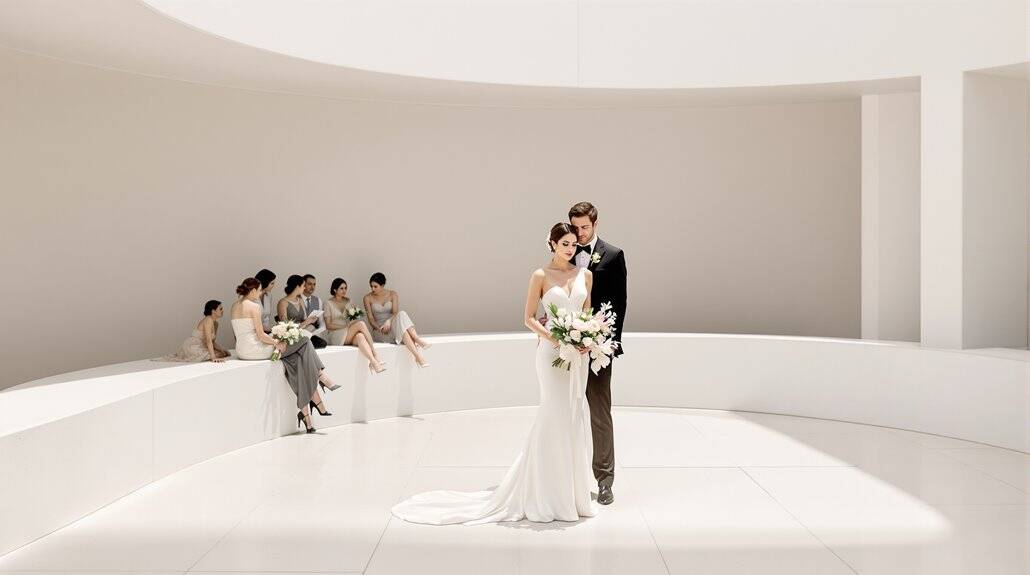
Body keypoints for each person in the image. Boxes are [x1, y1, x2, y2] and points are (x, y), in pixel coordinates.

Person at [391, 223, 595, 525]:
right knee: (553, 413)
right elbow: (527, 318)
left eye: (574, 244)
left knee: (574, 414)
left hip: (578, 357)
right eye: (564, 243)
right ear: (551, 243)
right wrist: (557, 339)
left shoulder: (585, 275)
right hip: (551, 353)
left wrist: (585, 340)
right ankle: (546, 494)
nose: (570, 249)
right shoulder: (540, 276)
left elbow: (587, 316)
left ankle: (573, 494)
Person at [569, 201, 627, 506]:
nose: (579, 234)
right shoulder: (564, 253)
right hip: (565, 348)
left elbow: (620, 305)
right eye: (575, 227)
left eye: (584, 228)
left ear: (595, 224)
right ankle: (565, 476)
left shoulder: (613, 256)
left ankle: (604, 480)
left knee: (599, 413)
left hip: (597, 348)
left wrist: (604, 343)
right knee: (564, 410)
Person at [231, 277, 338, 433]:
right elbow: (260, 335)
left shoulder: (235, 305)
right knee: (304, 341)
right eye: (260, 290)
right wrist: (277, 343)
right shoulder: (253, 307)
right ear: (253, 290)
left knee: (295, 359)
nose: (260, 293)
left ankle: (307, 415)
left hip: (242, 350)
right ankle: (320, 375)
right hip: (256, 350)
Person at [363, 272, 431, 368]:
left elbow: (395, 313)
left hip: (393, 324)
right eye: (371, 286)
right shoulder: (367, 298)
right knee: (404, 332)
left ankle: (417, 349)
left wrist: (389, 321)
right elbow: (371, 319)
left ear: (382, 285)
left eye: (375, 286)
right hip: (379, 331)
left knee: (401, 314)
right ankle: (418, 352)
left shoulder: (393, 294)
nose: (372, 289)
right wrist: (380, 329)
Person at [324, 277, 387, 374]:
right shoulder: (328, 303)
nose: (344, 290)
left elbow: (353, 318)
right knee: (361, 324)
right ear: (334, 289)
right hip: (335, 334)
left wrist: (353, 321)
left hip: (348, 332)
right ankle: (375, 354)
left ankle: (373, 362)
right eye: (341, 288)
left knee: (360, 336)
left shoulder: (349, 301)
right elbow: (328, 325)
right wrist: (345, 327)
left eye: (345, 288)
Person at [157, 300, 230, 362]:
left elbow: (212, 342)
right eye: (220, 309)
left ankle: (216, 353)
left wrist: (222, 349)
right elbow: (208, 340)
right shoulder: (208, 320)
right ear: (213, 311)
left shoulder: (216, 323)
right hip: (193, 346)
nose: (223, 311)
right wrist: (213, 357)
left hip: (202, 346)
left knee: (223, 353)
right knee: (217, 355)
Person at [277, 275, 329, 349]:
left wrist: (310, 320)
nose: (304, 288)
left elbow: (304, 319)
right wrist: (306, 322)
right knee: (314, 344)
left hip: (303, 332)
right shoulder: (282, 303)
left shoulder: (300, 300)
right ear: (297, 287)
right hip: (291, 335)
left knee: (322, 343)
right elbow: (286, 327)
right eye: (303, 286)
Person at [300, 274, 328, 348]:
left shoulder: (318, 300)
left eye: (314, 284)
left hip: (314, 332)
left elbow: (321, 321)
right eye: (309, 284)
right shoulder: (297, 299)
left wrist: (317, 331)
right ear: (303, 285)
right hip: (301, 331)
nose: (312, 287)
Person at [255, 269, 277, 333]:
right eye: (272, 283)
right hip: (253, 332)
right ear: (264, 282)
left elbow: (266, 318)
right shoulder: (251, 297)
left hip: (265, 331)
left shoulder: (269, 296)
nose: (273, 286)